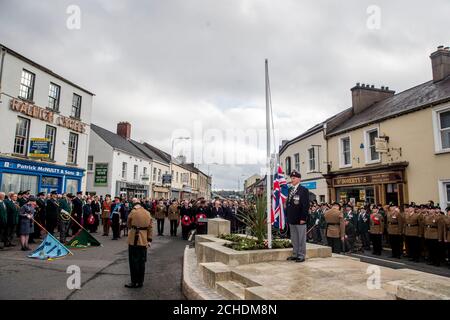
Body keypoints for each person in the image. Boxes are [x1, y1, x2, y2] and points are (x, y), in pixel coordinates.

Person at [125, 198, 153, 288]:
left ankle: (134, 282)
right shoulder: (147, 213)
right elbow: (150, 227)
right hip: (144, 239)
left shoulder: (133, 212)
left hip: (134, 239)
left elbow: (128, 224)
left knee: (133, 262)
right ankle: (140, 282)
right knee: (142, 261)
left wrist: (132, 227)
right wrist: (149, 240)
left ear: (135, 205)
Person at [285, 170, 309, 263]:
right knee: (294, 238)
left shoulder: (303, 190)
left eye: (294, 178)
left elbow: (305, 205)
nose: (292, 179)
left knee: (301, 238)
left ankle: (301, 255)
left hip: (300, 218)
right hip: (292, 218)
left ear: (299, 179)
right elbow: (289, 203)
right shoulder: (290, 189)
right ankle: (295, 254)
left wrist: (303, 218)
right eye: (291, 178)